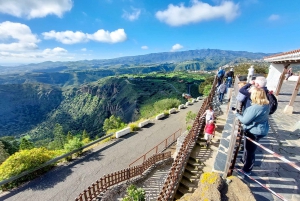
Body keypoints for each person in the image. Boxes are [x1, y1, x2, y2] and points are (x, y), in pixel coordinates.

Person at [233, 87, 270, 175]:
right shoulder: (266, 105)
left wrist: (236, 114)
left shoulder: (255, 108)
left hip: (254, 132)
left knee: (250, 151)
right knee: (250, 149)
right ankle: (245, 162)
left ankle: (247, 170)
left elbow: (245, 120)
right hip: (261, 130)